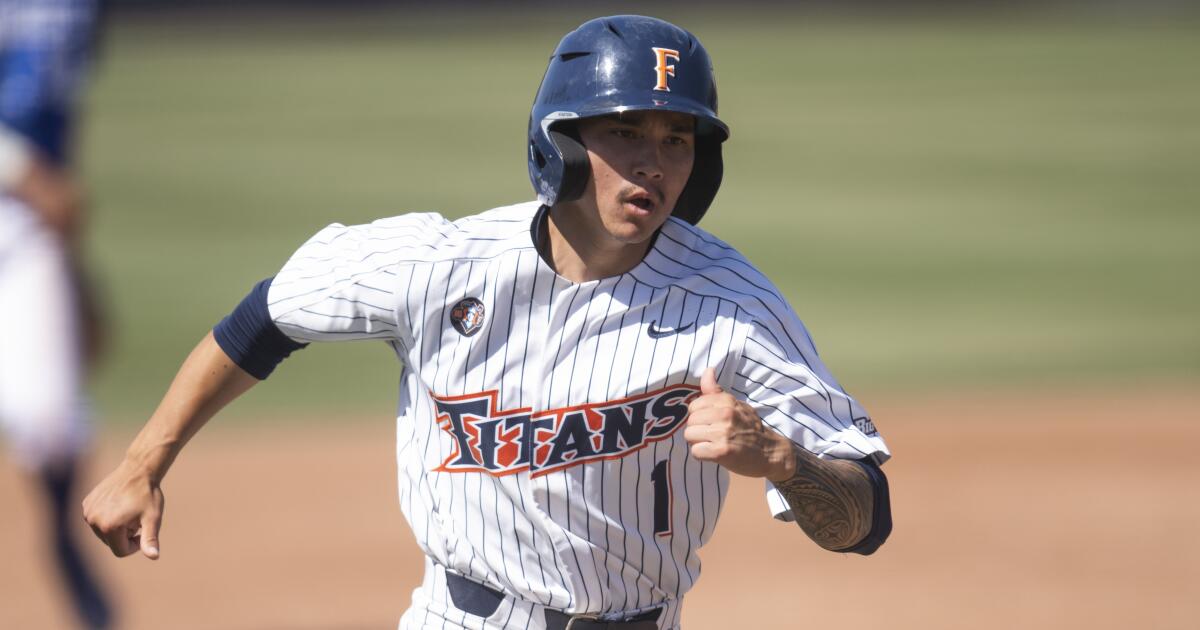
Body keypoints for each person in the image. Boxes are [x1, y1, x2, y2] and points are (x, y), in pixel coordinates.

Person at [82, 15, 891, 630]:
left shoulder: (733, 304)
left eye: (678, 139)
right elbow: (267, 317)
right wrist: (144, 462)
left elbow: (865, 522)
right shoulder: (440, 265)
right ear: (561, 145)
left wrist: (783, 460)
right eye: (625, 133)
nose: (655, 162)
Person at [0, 0, 113, 628]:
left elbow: (55, 114)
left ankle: (67, 551)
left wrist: (77, 270)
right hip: (24, 191)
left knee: (51, 421)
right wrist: (20, 172)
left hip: (33, 221)